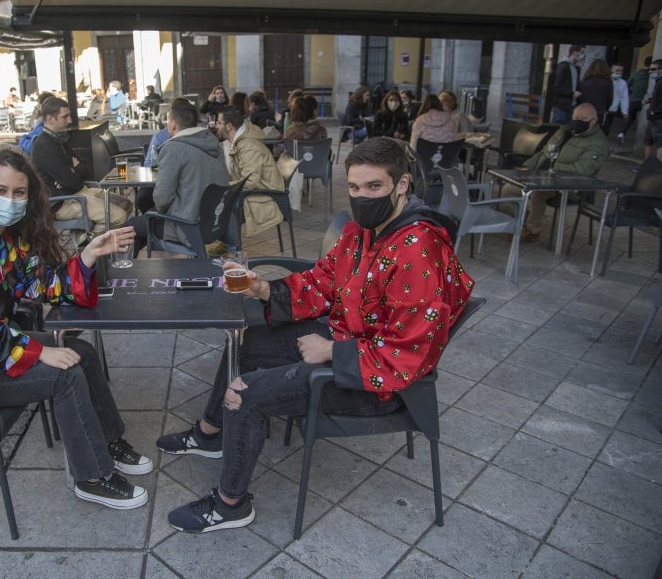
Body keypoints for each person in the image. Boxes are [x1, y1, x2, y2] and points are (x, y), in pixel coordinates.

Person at [160, 137, 475, 533]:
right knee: (244, 340)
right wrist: (264, 290)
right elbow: (322, 281)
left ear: (402, 185)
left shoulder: (418, 249)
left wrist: (332, 351)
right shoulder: (363, 230)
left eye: (373, 187)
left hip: (376, 386)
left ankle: (230, 505)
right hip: (348, 342)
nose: (361, 197)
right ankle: (210, 434)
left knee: (245, 392)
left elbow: (409, 352)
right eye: (355, 187)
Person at [0, 149, 151, 510]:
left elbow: (38, 288)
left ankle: (108, 440)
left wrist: (88, 256)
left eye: (20, 193)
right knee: (63, 373)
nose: (11, 199)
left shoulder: (5, 237)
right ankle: (92, 476)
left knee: (81, 352)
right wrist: (41, 352)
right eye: (1, 190)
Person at [124, 99, 227, 255]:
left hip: (187, 225)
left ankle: (122, 272)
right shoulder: (214, 144)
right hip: (214, 222)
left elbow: (162, 199)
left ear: (172, 124)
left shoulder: (173, 148)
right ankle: (129, 270)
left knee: (128, 228)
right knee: (144, 224)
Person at [500, 102, 608, 242]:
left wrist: (553, 168)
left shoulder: (598, 143)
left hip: (567, 184)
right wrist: (527, 167)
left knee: (537, 192)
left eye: (582, 120)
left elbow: (583, 170)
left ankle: (532, 229)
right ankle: (524, 219)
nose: (577, 122)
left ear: (593, 121)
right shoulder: (563, 132)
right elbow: (544, 152)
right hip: (541, 175)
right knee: (508, 189)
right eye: (575, 118)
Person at [30, 97, 130, 234]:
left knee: (126, 204)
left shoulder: (60, 139)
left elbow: (85, 168)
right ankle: (88, 248)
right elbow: (72, 182)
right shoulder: (44, 146)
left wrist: (72, 171)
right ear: (49, 119)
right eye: (65, 117)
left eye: (69, 115)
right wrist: (71, 175)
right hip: (62, 202)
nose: (70, 121)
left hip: (79, 192)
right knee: (118, 217)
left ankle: (88, 237)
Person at [216, 107, 285, 237]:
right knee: (220, 201)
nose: (216, 126)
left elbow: (250, 181)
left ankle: (231, 247)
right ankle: (226, 243)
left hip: (264, 195)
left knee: (221, 206)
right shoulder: (237, 142)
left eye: (218, 123)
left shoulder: (248, 146)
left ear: (229, 126)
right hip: (255, 190)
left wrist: (224, 186)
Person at [551, 45, 585, 125]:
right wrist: (572, 93)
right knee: (558, 127)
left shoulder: (576, 68)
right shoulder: (563, 66)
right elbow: (557, 87)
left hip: (571, 105)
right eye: (582, 52)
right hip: (561, 106)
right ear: (574, 52)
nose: (583, 55)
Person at [622, 56, 652, 141]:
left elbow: (627, 85)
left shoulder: (636, 74)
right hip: (645, 101)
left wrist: (632, 92)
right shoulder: (650, 76)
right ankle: (642, 139)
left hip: (633, 100)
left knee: (631, 119)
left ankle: (623, 133)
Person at [579, 59, 613, 132]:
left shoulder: (586, 81)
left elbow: (580, 97)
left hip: (585, 111)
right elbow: (610, 98)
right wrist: (606, 108)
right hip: (599, 111)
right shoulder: (607, 82)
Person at [646, 59, 662, 160]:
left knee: (661, 144)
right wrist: (649, 100)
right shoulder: (659, 82)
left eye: (653, 69)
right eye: (649, 69)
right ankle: (647, 165)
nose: (650, 71)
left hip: (660, 119)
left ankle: (658, 169)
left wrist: (655, 111)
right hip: (654, 118)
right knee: (649, 141)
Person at [607, 63, 630, 139]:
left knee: (607, 128)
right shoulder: (606, 81)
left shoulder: (623, 83)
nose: (619, 72)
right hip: (603, 109)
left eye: (621, 71)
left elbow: (624, 97)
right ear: (611, 70)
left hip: (613, 109)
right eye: (617, 70)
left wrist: (625, 111)